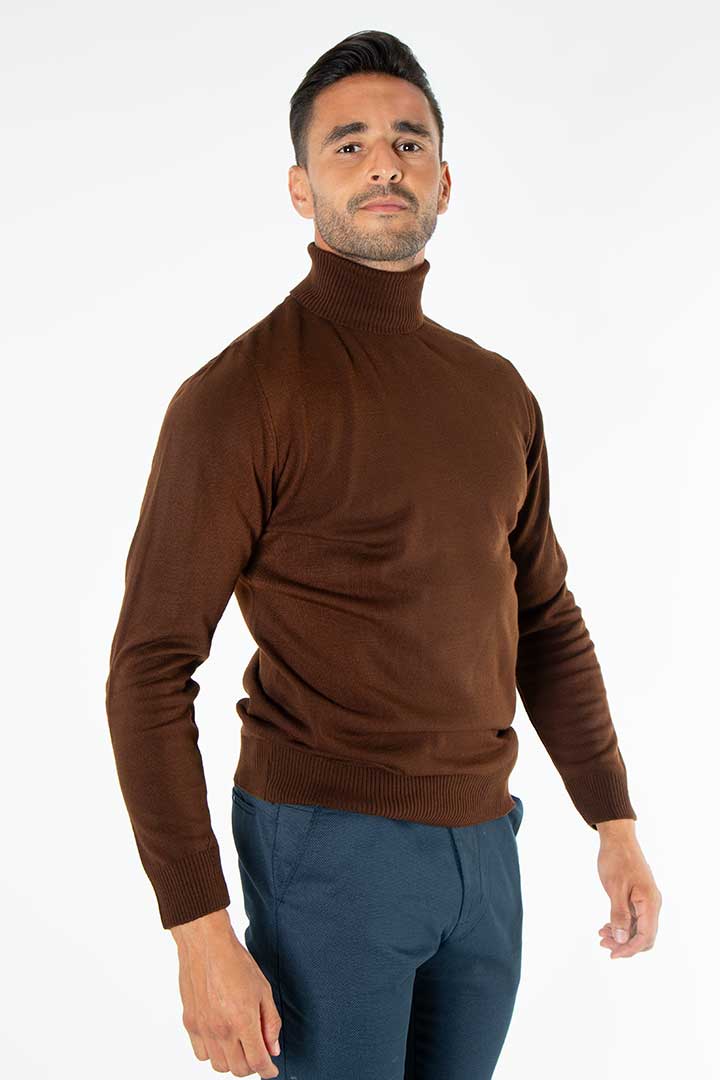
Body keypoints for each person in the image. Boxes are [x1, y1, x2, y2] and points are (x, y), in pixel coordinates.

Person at [105, 29, 662, 1080]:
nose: (384, 164)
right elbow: (148, 667)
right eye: (349, 144)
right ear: (300, 186)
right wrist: (198, 930)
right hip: (328, 848)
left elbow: (544, 616)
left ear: (444, 181)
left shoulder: (496, 391)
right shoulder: (241, 396)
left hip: (485, 848)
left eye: (408, 143)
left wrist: (613, 817)